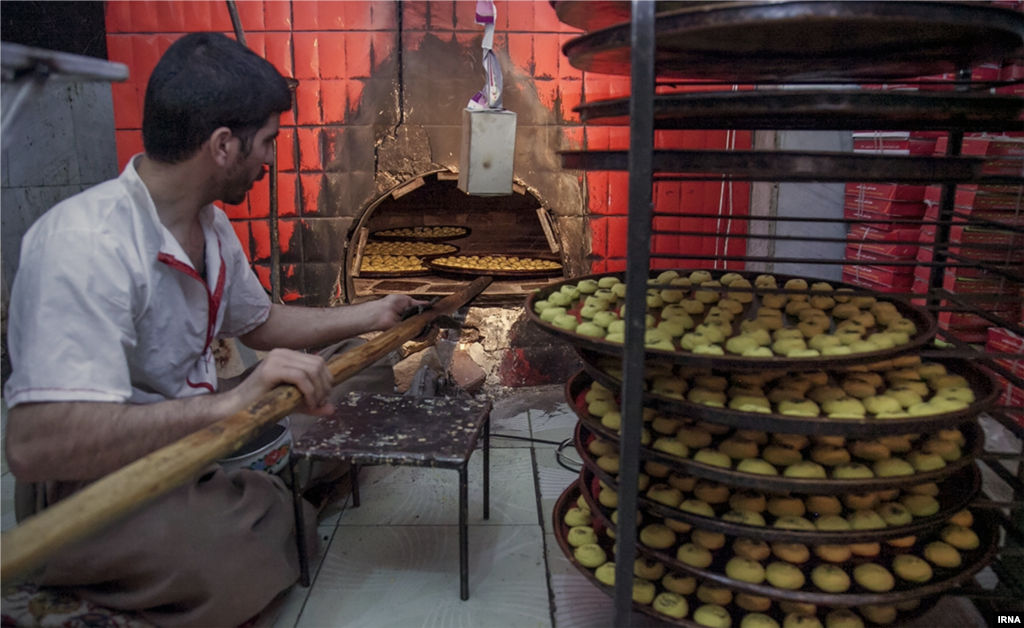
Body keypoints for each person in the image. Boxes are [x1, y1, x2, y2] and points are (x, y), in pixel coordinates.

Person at [3, 32, 420, 628]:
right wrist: (235, 405)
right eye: (268, 143)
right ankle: (265, 500)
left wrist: (372, 316)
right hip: (100, 478)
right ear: (223, 145)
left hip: (204, 426)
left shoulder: (210, 226)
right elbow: (35, 446)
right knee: (239, 561)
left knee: (365, 369)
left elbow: (263, 323)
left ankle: (257, 486)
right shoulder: (85, 245)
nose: (271, 160)